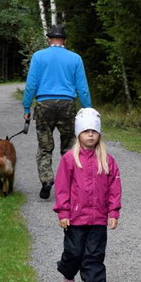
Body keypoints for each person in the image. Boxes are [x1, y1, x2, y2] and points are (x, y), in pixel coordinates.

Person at [54, 108, 122, 282]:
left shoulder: (108, 160)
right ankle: (67, 272)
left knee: (94, 253)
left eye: (93, 130)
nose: (90, 134)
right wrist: (63, 212)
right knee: (74, 252)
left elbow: (114, 188)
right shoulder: (69, 159)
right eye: (86, 131)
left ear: (99, 133)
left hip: (98, 218)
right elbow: (62, 188)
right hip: (75, 218)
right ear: (78, 134)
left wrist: (113, 212)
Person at [23, 23, 92, 199]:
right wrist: (87, 108)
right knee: (69, 145)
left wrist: (26, 107)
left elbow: (31, 85)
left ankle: (47, 180)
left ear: (49, 39)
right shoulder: (75, 58)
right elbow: (82, 88)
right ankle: (71, 183)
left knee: (45, 146)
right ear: (65, 40)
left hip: (44, 104)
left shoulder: (38, 57)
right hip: (67, 104)